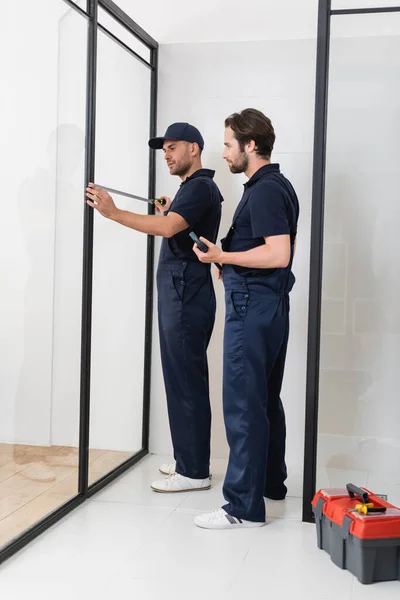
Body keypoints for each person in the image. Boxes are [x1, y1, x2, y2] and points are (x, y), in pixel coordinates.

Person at [86, 122, 223, 493]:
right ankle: (188, 460)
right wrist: (169, 211)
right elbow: (176, 226)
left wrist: (114, 213)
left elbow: (167, 231)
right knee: (182, 379)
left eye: (173, 146)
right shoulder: (190, 190)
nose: (167, 153)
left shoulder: (199, 187)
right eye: (164, 148)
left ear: (193, 149)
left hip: (185, 295)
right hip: (183, 293)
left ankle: (194, 471)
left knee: (186, 381)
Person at [192, 109, 299, 529]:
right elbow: (264, 249)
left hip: (253, 308)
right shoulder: (272, 186)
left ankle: (242, 507)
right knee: (264, 398)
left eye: (228, 145)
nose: (224, 154)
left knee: (243, 404)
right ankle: (270, 485)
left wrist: (223, 257)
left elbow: (278, 253)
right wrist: (229, 262)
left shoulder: (267, 189)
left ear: (250, 145)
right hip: (266, 304)